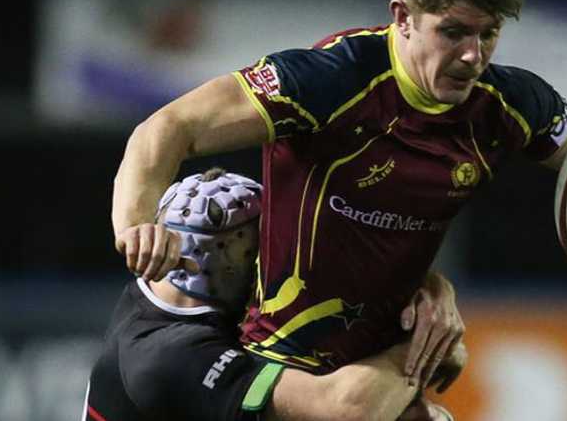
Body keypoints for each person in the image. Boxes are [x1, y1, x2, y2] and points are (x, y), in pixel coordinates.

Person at [111, 0, 567, 390]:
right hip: (279, 362)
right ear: (404, 17)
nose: (474, 55)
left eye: (488, 33)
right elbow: (168, 127)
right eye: (454, 31)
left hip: (390, 362)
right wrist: (136, 220)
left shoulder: (511, 102)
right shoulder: (331, 80)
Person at [86, 168, 461, 421]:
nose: (281, 259)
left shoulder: (170, 295)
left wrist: (432, 289)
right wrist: (422, 350)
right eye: (263, 248)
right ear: (211, 263)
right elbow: (347, 409)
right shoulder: (166, 358)